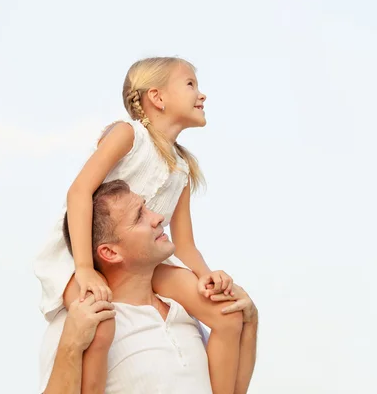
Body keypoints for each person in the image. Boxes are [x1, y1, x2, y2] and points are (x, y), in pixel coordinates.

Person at [35, 57, 245, 393]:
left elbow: (185, 244)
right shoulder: (128, 135)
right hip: (83, 252)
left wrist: (205, 275)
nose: (202, 94)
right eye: (190, 84)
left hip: (145, 257)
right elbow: (79, 192)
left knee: (227, 313)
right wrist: (86, 269)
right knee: (99, 324)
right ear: (157, 97)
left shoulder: (182, 167)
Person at [40, 180, 258, 394]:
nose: (158, 218)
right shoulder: (85, 323)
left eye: (146, 207)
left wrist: (250, 322)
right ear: (111, 252)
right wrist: (70, 345)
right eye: (139, 216)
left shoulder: (182, 313)